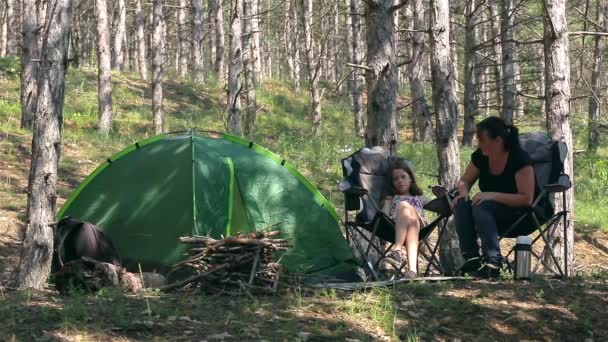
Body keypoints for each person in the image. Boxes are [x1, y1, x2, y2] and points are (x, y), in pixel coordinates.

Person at [451, 116, 535, 278]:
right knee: (461, 204)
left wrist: (491, 195)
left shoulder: (519, 158)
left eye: (482, 140)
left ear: (498, 141)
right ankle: (472, 259)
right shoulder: (481, 156)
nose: (479, 144)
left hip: (518, 214)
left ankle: (493, 261)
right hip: (486, 211)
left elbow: (526, 199)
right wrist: (463, 192)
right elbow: (465, 180)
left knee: (482, 205)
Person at [380, 159, 426, 277]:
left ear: (410, 178)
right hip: (399, 227)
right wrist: (386, 202)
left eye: (403, 177)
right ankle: (412, 271)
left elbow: (437, 204)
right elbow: (384, 216)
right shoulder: (391, 198)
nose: (399, 181)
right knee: (411, 221)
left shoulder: (419, 197)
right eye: (395, 179)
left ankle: (397, 250)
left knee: (404, 205)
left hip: (421, 226)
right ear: (392, 183)